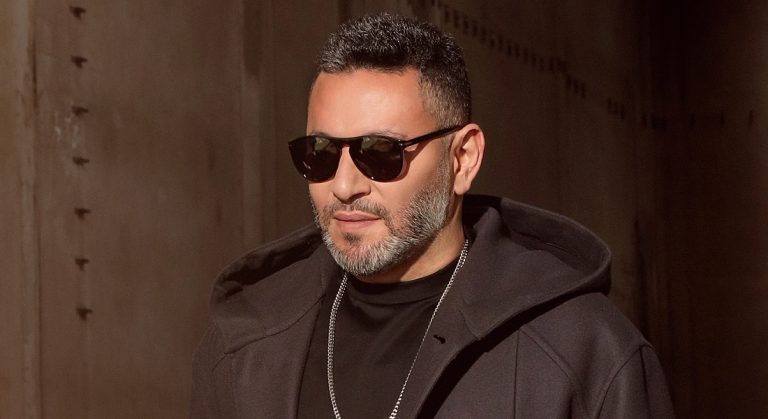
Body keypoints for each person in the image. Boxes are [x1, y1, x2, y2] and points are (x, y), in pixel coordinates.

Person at [191, 12, 674, 418]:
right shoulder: (244, 348)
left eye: (380, 153)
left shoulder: (585, 354)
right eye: (320, 154)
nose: (344, 186)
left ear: (462, 159)